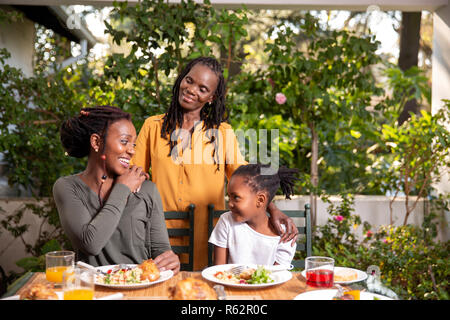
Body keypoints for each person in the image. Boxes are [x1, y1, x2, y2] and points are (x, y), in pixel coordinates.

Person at [132, 57, 298, 270]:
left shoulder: (222, 133)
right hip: (161, 235)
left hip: (209, 236)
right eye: (189, 81)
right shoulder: (152, 127)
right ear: (181, 79)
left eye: (203, 88)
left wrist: (271, 208)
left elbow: (249, 181)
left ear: (212, 97)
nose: (191, 90)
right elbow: (135, 177)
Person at [53, 106, 180, 274]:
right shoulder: (68, 187)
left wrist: (170, 261)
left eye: (133, 144)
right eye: (124, 141)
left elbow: (161, 250)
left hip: (139, 290)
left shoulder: (147, 188)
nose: (132, 150)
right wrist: (123, 189)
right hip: (94, 292)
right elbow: (90, 243)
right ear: (97, 142)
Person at [208, 164, 298, 266]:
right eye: (229, 197)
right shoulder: (226, 221)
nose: (230, 204)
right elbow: (219, 271)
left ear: (260, 200)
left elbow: (276, 277)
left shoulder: (285, 236)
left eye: (236, 197)